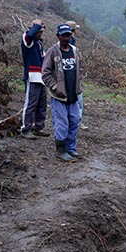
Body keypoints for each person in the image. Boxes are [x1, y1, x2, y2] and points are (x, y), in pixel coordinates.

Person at [42, 23, 83, 162]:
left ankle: (71, 148)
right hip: (59, 97)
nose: (66, 38)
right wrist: (55, 87)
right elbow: (45, 73)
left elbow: (79, 70)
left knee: (74, 121)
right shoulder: (53, 51)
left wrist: (78, 86)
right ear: (58, 36)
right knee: (62, 124)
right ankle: (61, 150)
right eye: (63, 35)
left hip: (73, 95)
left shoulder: (75, 51)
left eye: (68, 35)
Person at [20, 19, 50, 139]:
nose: (40, 33)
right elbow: (30, 35)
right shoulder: (27, 40)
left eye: (41, 31)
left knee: (41, 104)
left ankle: (38, 127)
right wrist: (37, 24)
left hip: (41, 77)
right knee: (30, 104)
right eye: (38, 30)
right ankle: (25, 128)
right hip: (32, 76)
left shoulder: (39, 43)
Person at [66, 20, 88, 130]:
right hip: (72, 76)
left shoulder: (65, 43)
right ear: (73, 31)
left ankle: (74, 121)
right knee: (78, 100)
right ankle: (77, 122)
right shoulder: (71, 43)